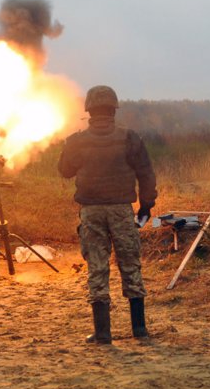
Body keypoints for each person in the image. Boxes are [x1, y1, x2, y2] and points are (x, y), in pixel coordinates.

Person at [58, 85, 157, 344]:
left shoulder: (77, 140)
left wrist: (67, 147)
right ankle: (140, 330)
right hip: (122, 210)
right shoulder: (129, 138)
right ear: (114, 109)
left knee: (97, 268)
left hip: (91, 211)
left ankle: (103, 333)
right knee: (130, 265)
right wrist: (146, 207)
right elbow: (146, 174)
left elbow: (65, 171)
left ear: (89, 110)